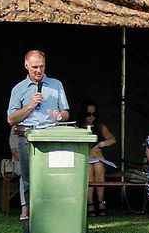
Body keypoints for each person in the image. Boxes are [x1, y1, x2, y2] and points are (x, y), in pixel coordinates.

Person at [6, 50, 70, 222]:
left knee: (54, 174)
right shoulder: (19, 89)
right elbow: (11, 119)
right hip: (27, 136)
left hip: (51, 135)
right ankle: (29, 211)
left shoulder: (56, 85)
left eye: (42, 66)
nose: (38, 70)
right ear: (26, 66)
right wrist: (30, 105)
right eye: (34, 67)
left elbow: (66, 112)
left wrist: (60, 115)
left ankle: (54, 211)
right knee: (28, 177)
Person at [78, 101, 117, 217]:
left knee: (99, 166)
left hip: (96, 156)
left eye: (94, 114)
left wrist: (100, 144)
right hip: (83, 157)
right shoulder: (77, 127)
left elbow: (112, 139)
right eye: (88, 114)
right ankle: (90, 203)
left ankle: (101, 202)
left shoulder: (100, 126)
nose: (91, 117)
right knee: (89, 169)